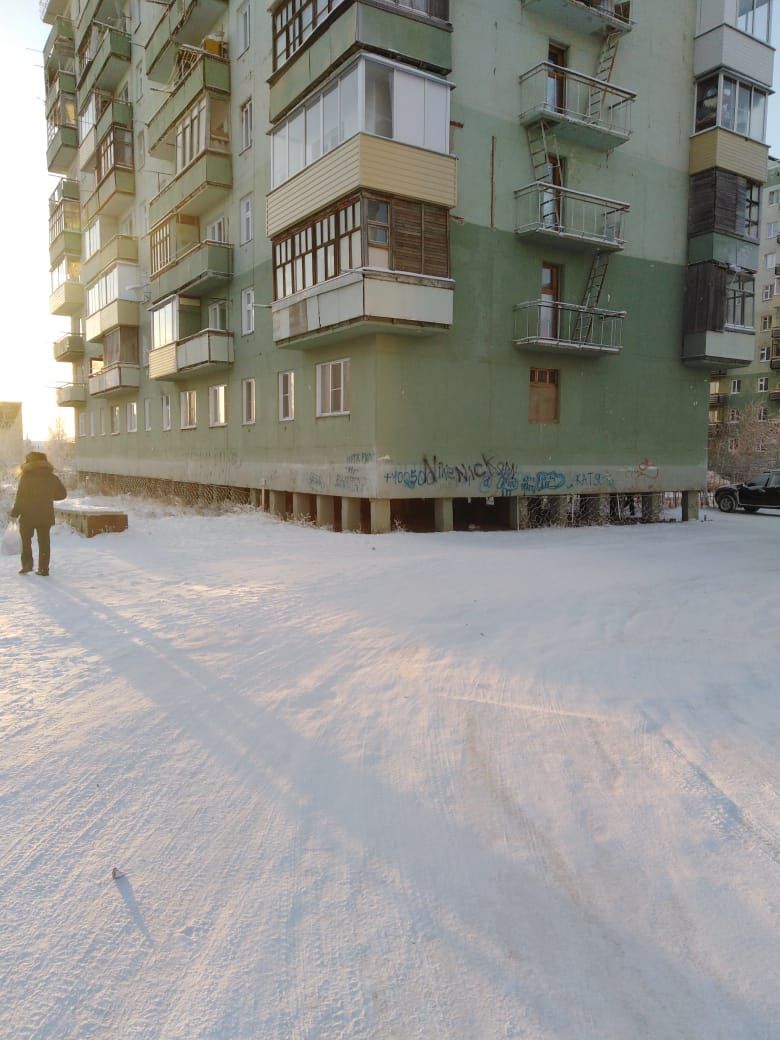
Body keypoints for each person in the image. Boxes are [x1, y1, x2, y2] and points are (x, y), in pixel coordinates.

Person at [9, 451, 67, 576]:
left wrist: (15, 512)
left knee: (26, 541)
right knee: (44, 542)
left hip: (27, 515)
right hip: (45, 515)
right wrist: (49, 496)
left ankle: (27, 565)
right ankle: (43, 569)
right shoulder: (51, 477)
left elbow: (21, 497)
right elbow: (62, 494)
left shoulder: (26, 477)